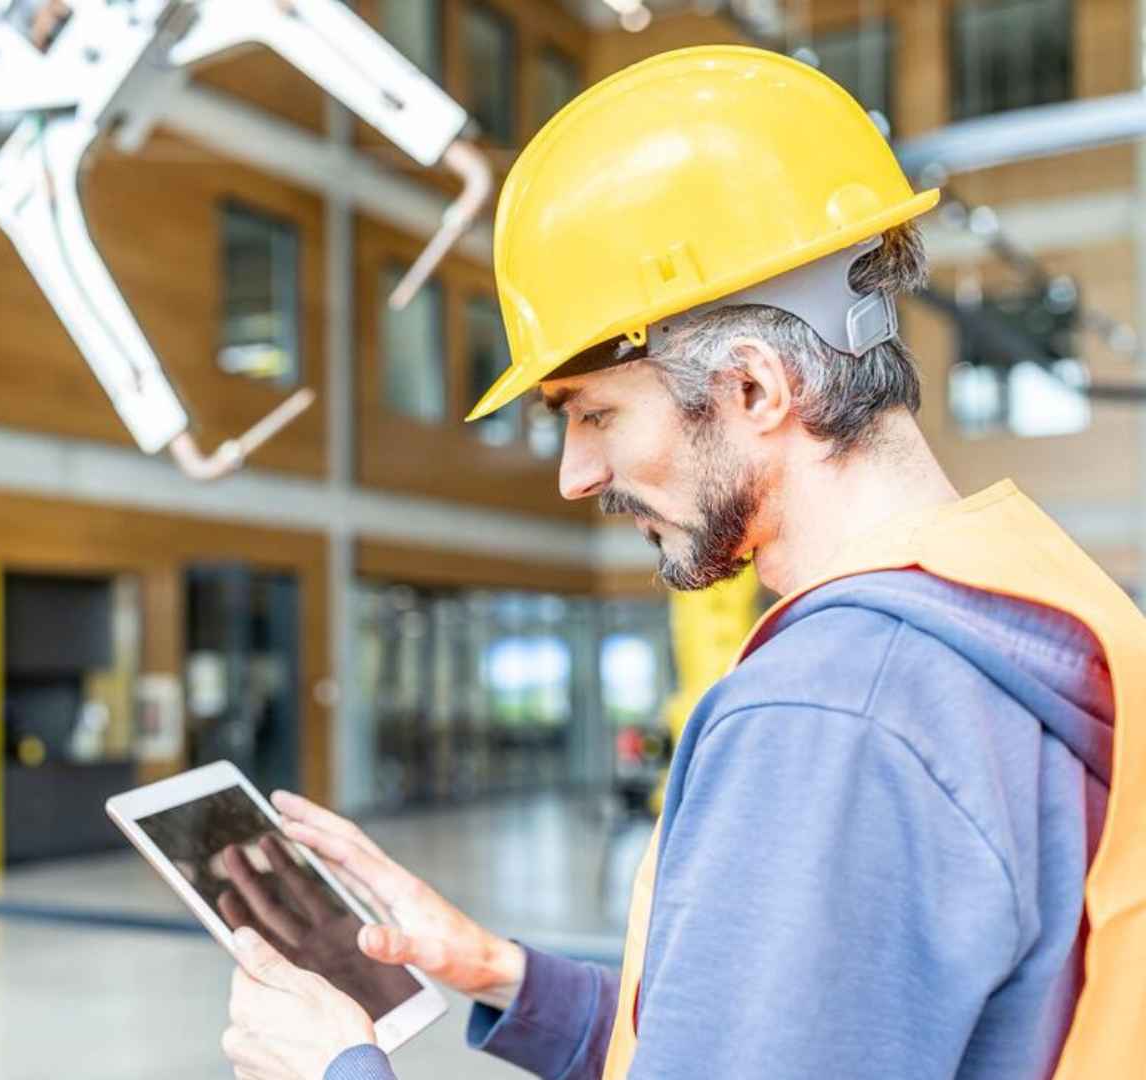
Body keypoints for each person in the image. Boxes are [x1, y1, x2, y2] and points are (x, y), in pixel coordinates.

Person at [220, 45, 1146, 1080]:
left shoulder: (835, 711)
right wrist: (504, 975)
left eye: (596, 413)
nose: (575, 476)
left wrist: (340, 1070)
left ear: (754, 389)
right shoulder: (1038, 603)